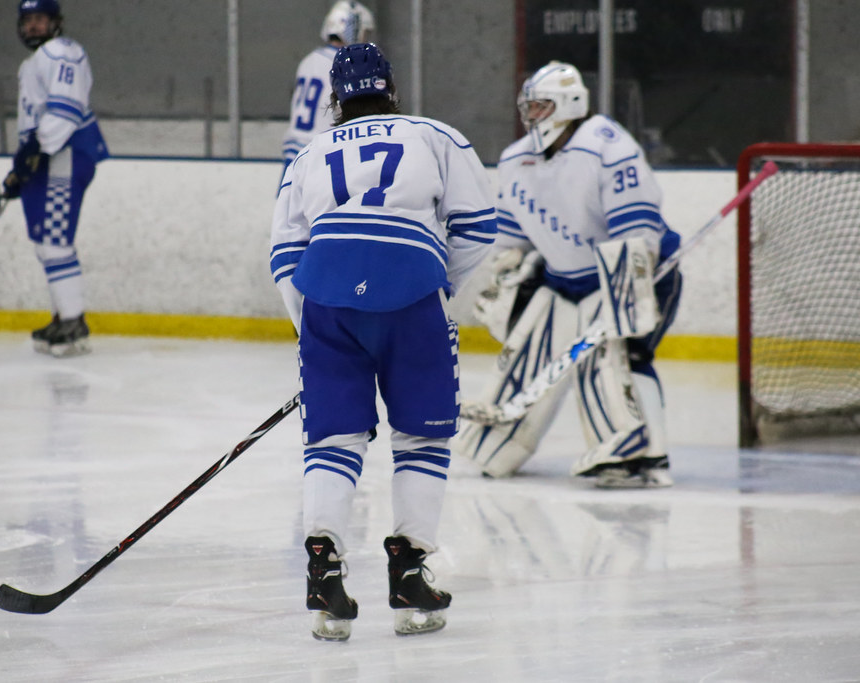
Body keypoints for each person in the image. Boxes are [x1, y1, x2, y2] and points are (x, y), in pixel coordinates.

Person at [270, 43, 497, 641]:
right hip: (413, 294)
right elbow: (479, 227)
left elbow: (285, 253)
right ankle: (409, 573)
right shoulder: (434, 134)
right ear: (391, 90)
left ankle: (323, 573)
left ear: (335, 101)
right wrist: (436, 288)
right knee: (422, 436)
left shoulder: (308, 154)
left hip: (325, 301)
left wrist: (313, 332)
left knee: (333, 439)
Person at [456, 61, 683, 489]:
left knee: (622, 357)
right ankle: (501, 444)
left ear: (569, 105)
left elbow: (637, 235)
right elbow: (511, 238)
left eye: (541, 106)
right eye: (529, 108)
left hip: (637, 275)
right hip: (565, 283)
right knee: (523, 359)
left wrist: (625, 296)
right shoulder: (515, 160)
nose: (531, 117)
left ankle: (647, 455)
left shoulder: (607, 144)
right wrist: (503, 277)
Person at [0, 0, 107, 357]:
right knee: (46, 242)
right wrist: (22, 166)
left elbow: (65, 110)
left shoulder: (61, 52)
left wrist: (33, 153)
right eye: (27, 20)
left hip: (65, 153)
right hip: (49, 156)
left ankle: (74, 323)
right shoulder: (35, 61)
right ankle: (64, 315)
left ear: (56, 23)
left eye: (40, 19)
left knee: (55, 242)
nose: (33, 26)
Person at [279, 1, 375, 179]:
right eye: (365, 33)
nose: (366, 40)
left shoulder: (309, 60)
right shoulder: (347, 66)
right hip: (322, 157)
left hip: (294, 155)